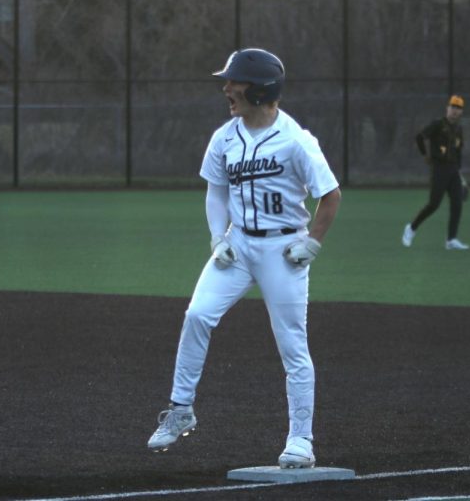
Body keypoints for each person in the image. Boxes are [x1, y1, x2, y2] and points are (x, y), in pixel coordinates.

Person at [146, 48, 341, 469]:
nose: (227, 88)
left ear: (259, 89)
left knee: (292, 345)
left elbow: (331, 195)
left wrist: (312, 242)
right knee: (197, 314)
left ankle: (301, 440)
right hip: (237, 247)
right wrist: (218, 239)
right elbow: (216, 190)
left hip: (283, 250)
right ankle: (181, 410)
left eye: (234, 82)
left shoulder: (296, 140)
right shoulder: (225, 137)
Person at [402, 94, 469, 250]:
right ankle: (411, 228)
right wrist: (425, 155)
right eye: (453, 107)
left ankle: (451, 239)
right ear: (447, 108)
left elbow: (458, 153)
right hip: (439, 169)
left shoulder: (458, 129)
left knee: (457, 204)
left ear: (461, 112)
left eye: (458, 108)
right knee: (434, 204)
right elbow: (420, 137)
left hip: (453, 170)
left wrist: (460, 176)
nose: (455, 110)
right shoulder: (438, 124)